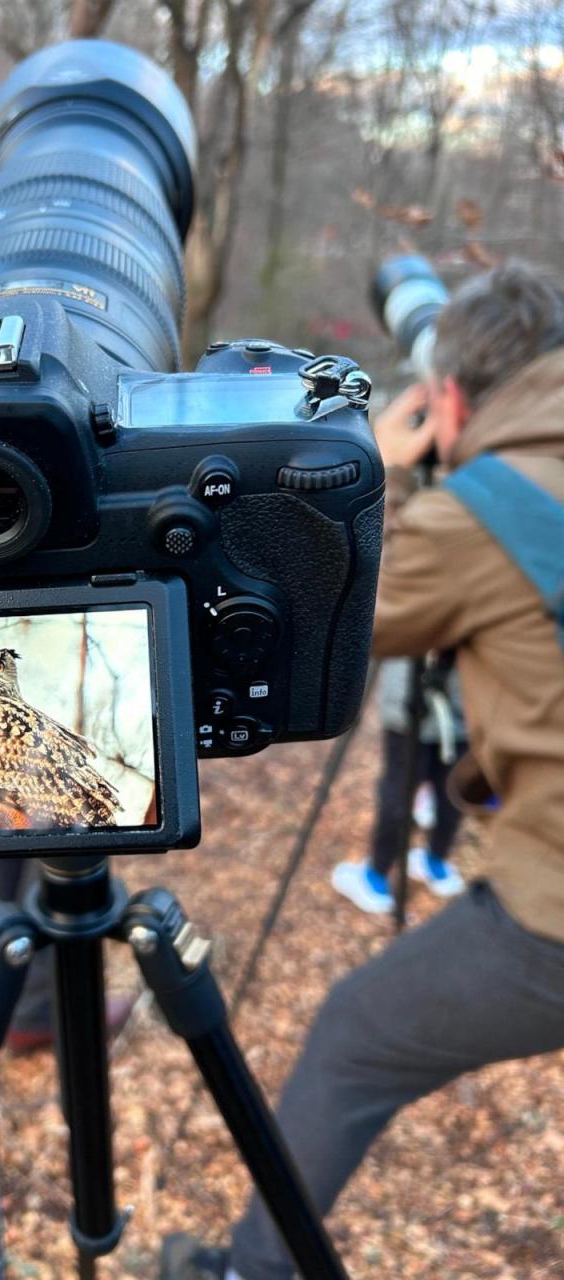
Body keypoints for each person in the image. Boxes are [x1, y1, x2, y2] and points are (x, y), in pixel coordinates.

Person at [161, 261, 564, 1279]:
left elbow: (313, 622)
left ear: (455, 396)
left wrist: (370, 478)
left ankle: (254, 1271)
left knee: (353, 1035)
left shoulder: (483, 517)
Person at [331, 656, 467, 913]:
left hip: (413, 702)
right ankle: (436, 862)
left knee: (402, 790)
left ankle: (376, 877)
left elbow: (386, 632)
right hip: (465, 700)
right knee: (452, 788)